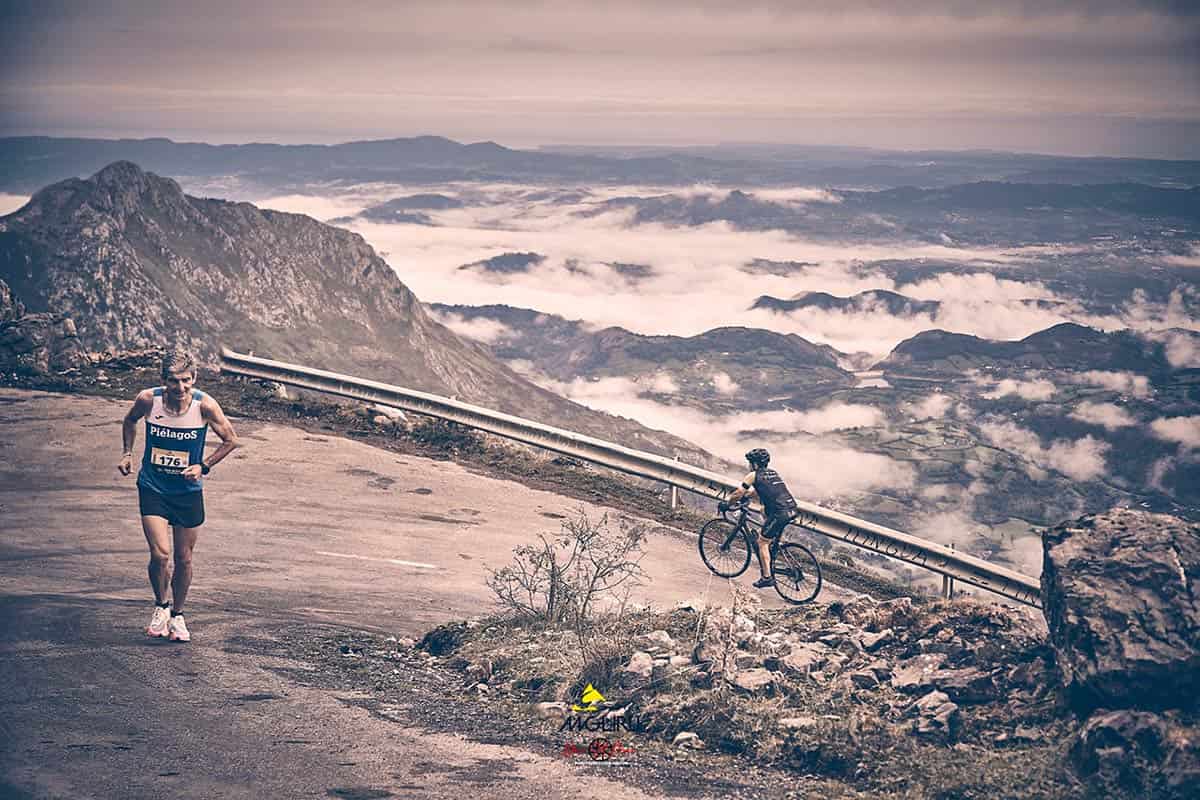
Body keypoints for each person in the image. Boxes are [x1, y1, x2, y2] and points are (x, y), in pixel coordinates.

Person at [118, 349, 240, 642]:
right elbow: (129, 421)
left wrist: (204, 466)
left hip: (187, 492)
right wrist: (126, 454)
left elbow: (231, 440)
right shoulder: (149, 400)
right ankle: (161, 606)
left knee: (184, 559)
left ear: (194, 378)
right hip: (153, 486)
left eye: (186, 380)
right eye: (174, 381)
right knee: (160, 555)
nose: (180, 388)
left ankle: (178, 615)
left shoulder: (205, 406)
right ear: (163, 380)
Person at [718, 448, 798, 588]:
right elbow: (758, 490)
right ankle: (774, 542)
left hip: (779, 513)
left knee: (762, 542)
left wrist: (727, 504)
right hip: (791, 509)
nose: (748, 465)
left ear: (754, 464)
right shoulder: (773, 473)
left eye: (750, 463)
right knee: (763, 510)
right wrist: (747, 497)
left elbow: (738, 493)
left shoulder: (753, 475)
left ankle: (767, 577)